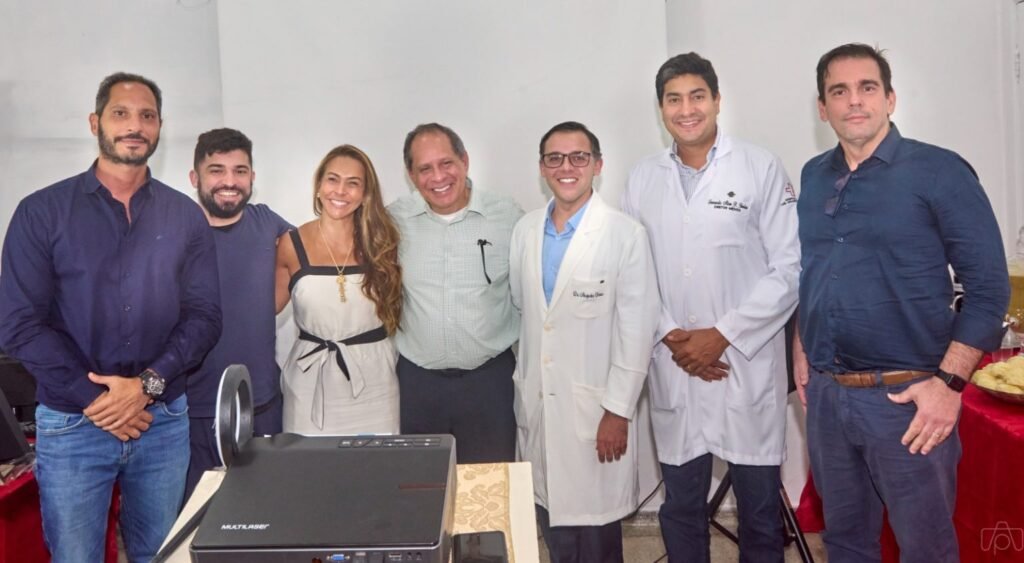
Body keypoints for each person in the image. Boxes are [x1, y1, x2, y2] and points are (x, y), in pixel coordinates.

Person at [793, 43, 1009, 563]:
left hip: (909, 402)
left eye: (867, 87)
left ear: (890, 99)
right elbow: (814, 270)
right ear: (822, 107)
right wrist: (802, 347)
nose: (854, 101)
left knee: (925, 550)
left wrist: (949, 386)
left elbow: (988, 290)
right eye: (839, 91)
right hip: (828, 398)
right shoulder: (813, 175)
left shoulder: (939, 172)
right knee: (845, 544)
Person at [0, 72, 221, 562]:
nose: (134, 125)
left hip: (162, 422)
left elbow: (205, 317)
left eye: (147, 115)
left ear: (159, 127)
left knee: (159, 555)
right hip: (72, 425)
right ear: (95, 122)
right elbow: (18, 323)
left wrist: (146, 387)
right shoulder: (41, 213)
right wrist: (98, 399)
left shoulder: (184, 217)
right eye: (121, 113)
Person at [622, 53, 800, 563]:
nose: (687, 109)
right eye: (674, 99)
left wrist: (721, 335)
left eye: (697, 96)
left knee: (759, 509)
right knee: (680, 506)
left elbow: (789, 268)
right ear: (661, 108)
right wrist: (671, 335)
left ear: (718, 100)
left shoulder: (760, 166)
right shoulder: (642, 178)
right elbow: (634, 272)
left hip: (744, 362)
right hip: (674, 361)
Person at [510, 121, 659, 563]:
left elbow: (637, 332)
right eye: (554, 158)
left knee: (596, 538)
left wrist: (617, 410)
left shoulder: (624, 234)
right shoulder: (525, 231)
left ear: (597, 165)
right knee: (552, 527)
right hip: (539, 404)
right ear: (542, 168)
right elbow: (525, 311)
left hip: (595, 411)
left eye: (579, 157)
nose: (566, 167)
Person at [388, 123, 523, 463]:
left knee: (490, 484)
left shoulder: (508, 217)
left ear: (465, 160)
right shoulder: (393, 221)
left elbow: (530, 296)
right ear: (411, 175)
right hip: (417, 385)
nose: (438, 177)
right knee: (420, 484)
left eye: (446, 163)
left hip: (489, 383)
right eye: (425, 169)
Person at [184, 128, 292, 498]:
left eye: (240, 171)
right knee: (195, 517)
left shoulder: (268, 223)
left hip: (262, 404)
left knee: (265, 511)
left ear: (252, 177)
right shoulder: (174, 228)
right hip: (192, 412)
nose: (229, 181)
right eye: (216, 170)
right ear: (195, 177)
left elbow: (318, 255)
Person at [275, 144, 402, 435]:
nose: (341, 191)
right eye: (333, 179)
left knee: (376, 461)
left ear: (365, 193)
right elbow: (261, 310)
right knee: (308, 462)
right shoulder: (291, 244)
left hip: (375, 383)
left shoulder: (383, 243)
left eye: (353, 183)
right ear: (319, 185)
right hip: (309, 381)